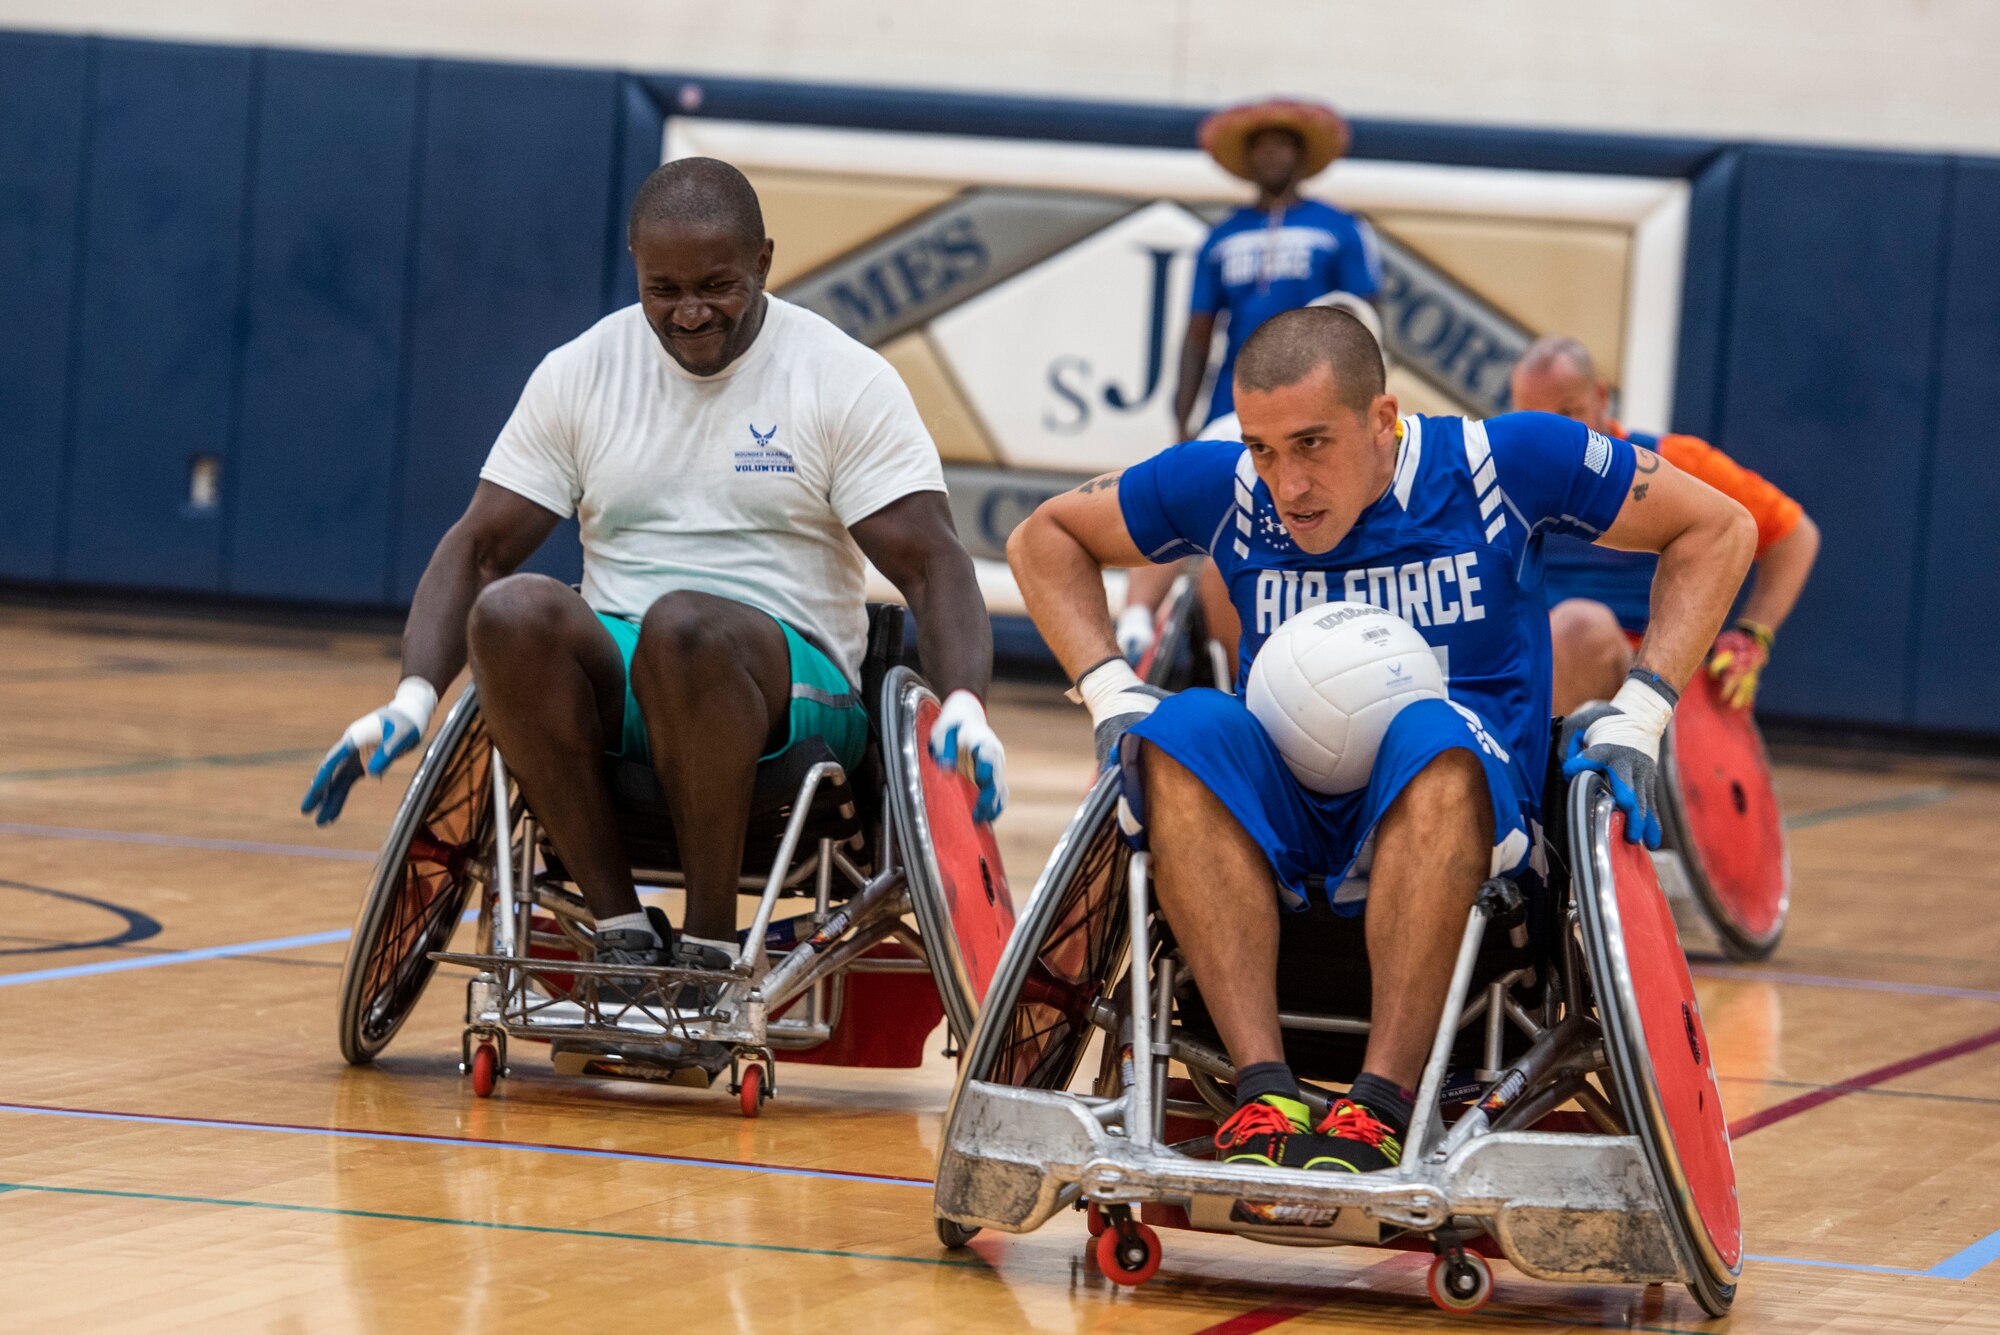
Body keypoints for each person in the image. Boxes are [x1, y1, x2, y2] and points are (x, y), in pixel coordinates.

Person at [1008, 306, 1753, 1177]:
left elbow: (1719, 526)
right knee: (1181, 725)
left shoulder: (1500, 465)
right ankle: (1263, 1089)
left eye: (1313, 444)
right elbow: (1043, 537)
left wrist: (1643, 710)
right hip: (1285, 822)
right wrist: (1109, 690)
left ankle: (1382, 1104)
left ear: (1383, 420)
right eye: (1263, 447)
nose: (1287, 483)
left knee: (1429, 733)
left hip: (1467, 811)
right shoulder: (1231, 490)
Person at [302, 158, 1006, 1031]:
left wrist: (966, 703)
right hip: (635, 664)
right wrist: (411, 697)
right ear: (634, 264)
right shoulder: (583, 371)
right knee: (514, 611)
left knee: (685, 626)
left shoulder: (842, 379)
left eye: (717, 284)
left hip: (795, 681)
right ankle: (623, 930)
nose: (690, 310)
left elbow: (935, 563)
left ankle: (710, 950)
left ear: (765, 263)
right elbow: (479, 550)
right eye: (662, 287)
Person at [1120, 100, 1382, 667]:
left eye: (1282, 145)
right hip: (1237, 404)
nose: (1271, 155)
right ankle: (1138, 623)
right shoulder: (1221, 238)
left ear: (1300, 156)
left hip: (1315, 407)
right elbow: (1197, 334)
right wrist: (1182, 416)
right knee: (1182, 495)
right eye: (1260, 146)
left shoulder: (1340, 229)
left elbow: (1367, 323)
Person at [1511, 335, 1820, 715]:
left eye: (1568, 413)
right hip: (1529, 671)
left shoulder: (1672, 462)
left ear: (1602, 398)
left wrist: (1752, 635)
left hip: (1647, 678)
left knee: (1579, 629)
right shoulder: (1504, 474)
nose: (1555, 437)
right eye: (1534, 421)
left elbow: (1793, 535)